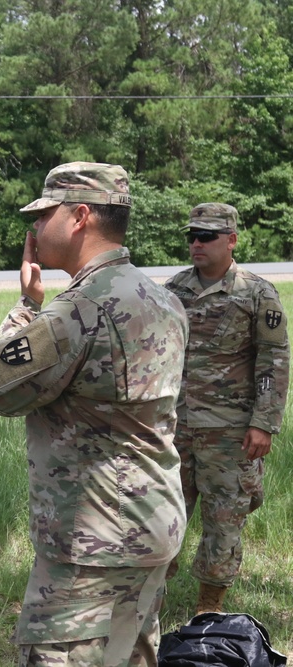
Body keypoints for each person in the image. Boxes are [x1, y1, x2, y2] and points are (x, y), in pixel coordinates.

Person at [0, 163, 189, 666]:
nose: (34, 228)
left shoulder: (79, 311)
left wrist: (26, 305)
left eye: (44, 214)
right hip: (151, 525)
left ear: (80, 217)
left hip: (91, 542)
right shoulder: (165, 299)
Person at [163, 203, 290, 615]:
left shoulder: (257, 293)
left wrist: (264, 423)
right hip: (174, 429)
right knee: (160, 516)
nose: (196, 243)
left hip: (230, 434)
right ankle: (148, 601)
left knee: (224, 522)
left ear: (232, 240)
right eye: (192, 236)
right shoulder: (173, 289)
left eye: (206, 236)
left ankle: (208, 611)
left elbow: (273, 360)